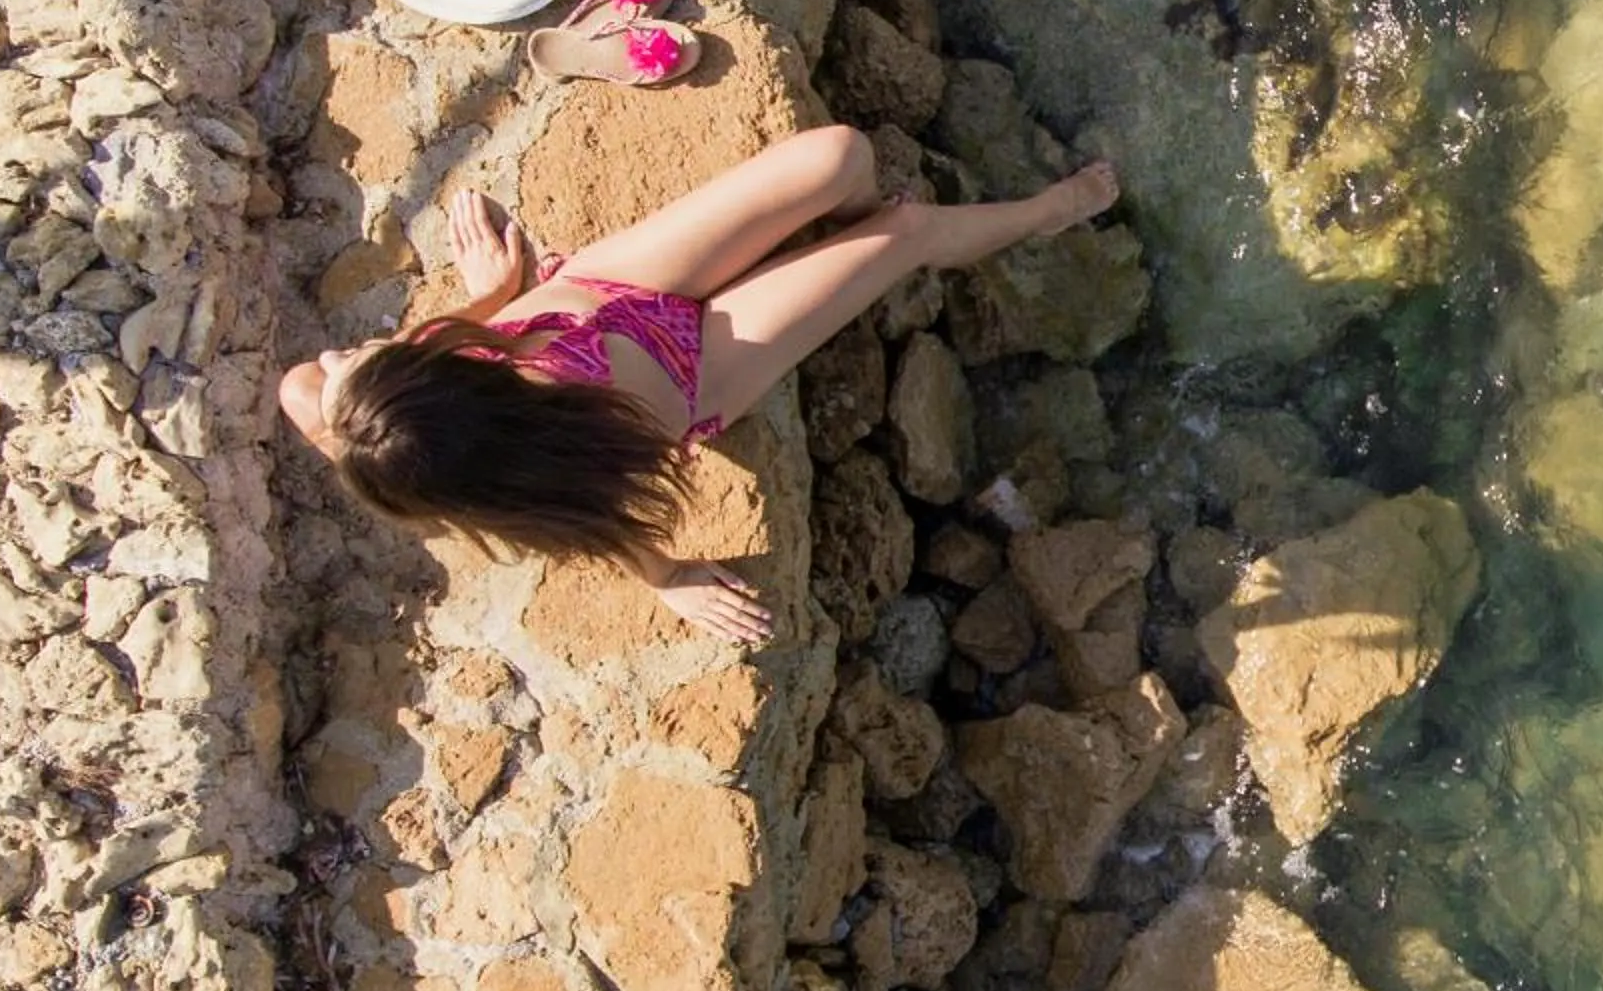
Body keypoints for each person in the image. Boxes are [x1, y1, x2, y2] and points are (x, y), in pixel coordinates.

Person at [279, 125, 1117, 644]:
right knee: (908, 232)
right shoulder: (514, 469)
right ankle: (1047, 213)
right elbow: (596, 528)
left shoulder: (412, 385)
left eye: (363, 353)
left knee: (840, 156)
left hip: (605, 297)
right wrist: (667, 578)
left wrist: (494, 295)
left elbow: (324, 387)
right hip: (698, 366)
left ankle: (847, 211)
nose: (348, 349)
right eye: (367, 353)